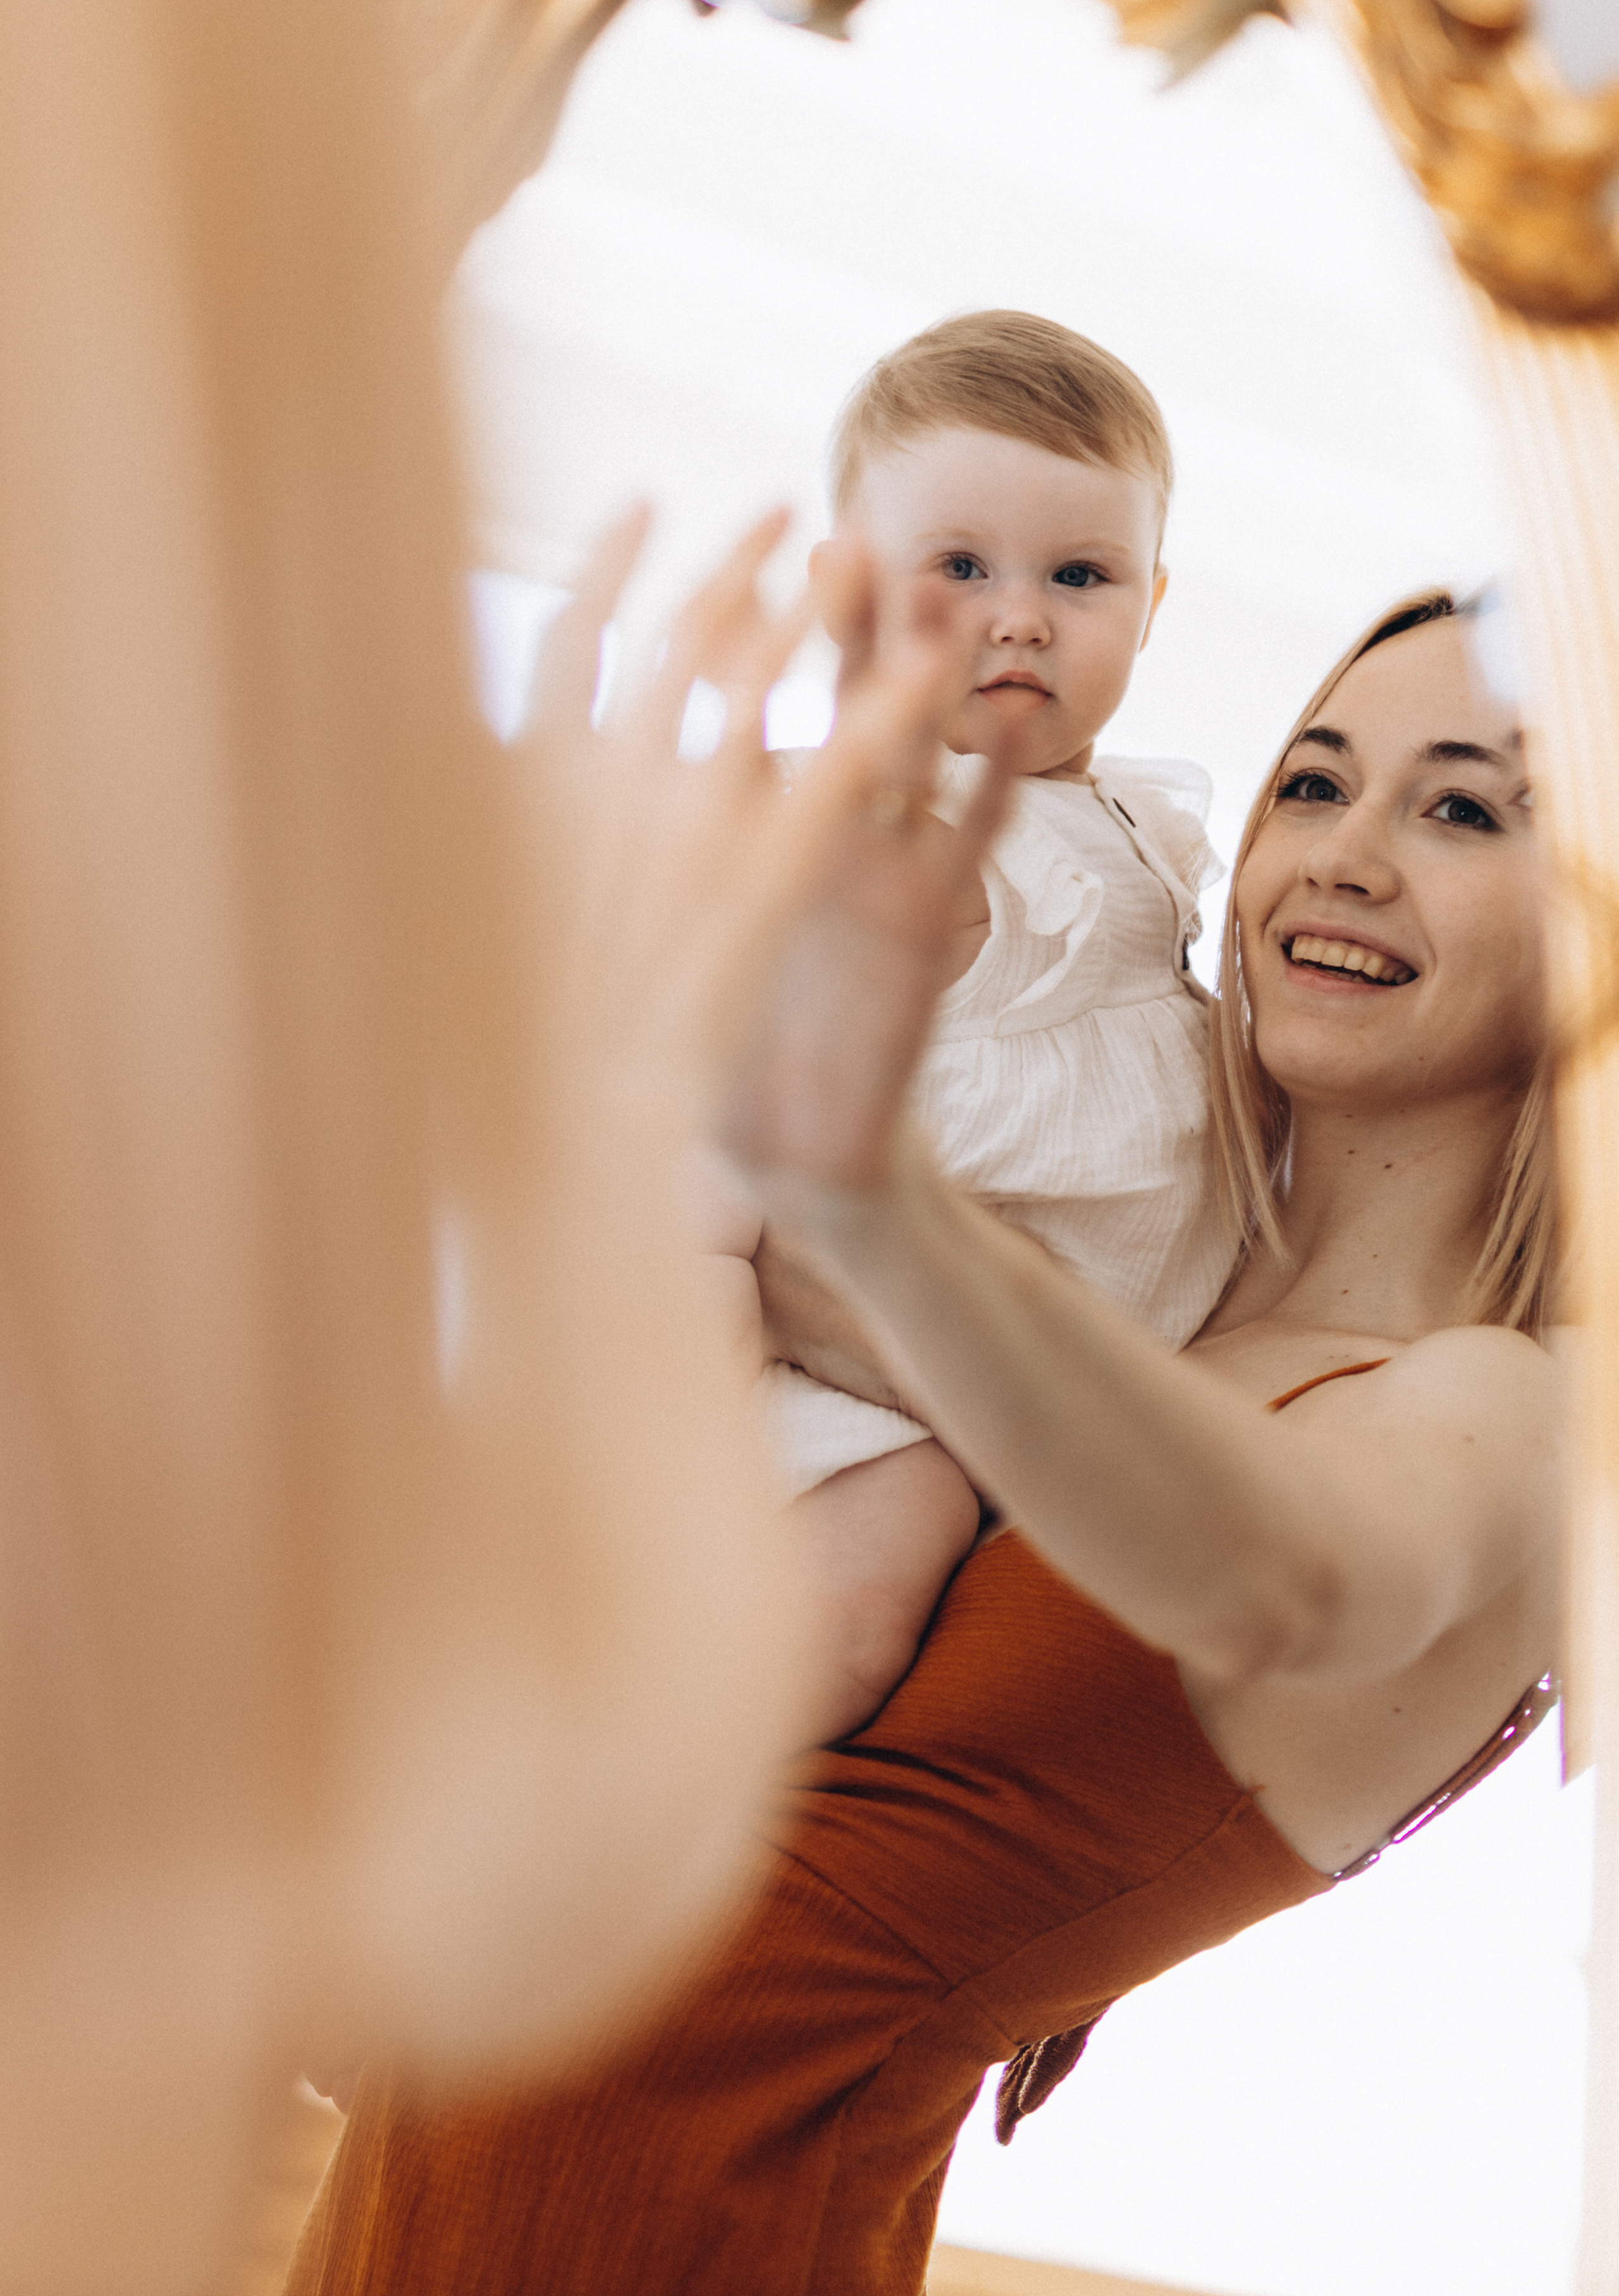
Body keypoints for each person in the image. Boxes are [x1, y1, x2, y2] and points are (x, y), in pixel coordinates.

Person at [288, 583, 1561, 2296]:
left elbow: (1278, 1577)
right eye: (1316, 784)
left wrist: (850, 1172)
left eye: (1468, 806)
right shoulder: (1134, 1305)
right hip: (460, 2168)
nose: (1343, 853)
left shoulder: (1516, 1410)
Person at [705, 312, 1238, 1741]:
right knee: (851, 1619)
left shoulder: (1137, 821)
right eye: (957, 570)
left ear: (1152, 602)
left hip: (1041, 1393)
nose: (1020, 615)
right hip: (852, 1390)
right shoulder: (876, 819)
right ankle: (669, 1794)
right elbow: (717, 1061)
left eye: (1079, 575)